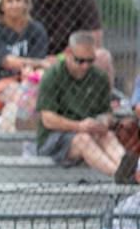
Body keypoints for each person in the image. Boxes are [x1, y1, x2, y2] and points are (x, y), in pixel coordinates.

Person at [37, 32, 134, 183]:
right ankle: (123, 176)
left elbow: (106, 112)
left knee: (107, 136)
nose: (85, 66)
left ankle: (130, 172)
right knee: (84, 139)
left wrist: (103, 121)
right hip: (55, 137)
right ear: (68, 54)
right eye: (80, 61)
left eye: (90, 61)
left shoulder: (99, 77)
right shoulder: (53, 75)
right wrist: (79, 126)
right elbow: (48, 120)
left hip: (90, 132)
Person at [29, 0, 112, 85]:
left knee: (102, 56)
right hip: (34, 60)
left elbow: (94, 38)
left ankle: (100, 104)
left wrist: (61, 57)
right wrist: (39, 61)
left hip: (73, 57)